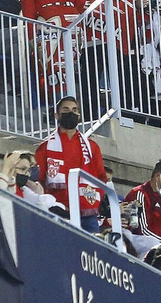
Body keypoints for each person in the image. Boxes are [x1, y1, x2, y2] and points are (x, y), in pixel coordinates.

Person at [35, 95, 107, 230]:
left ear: (79, 115)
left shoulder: (92, 147)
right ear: (57, 115)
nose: (71, 113)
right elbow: (40, 180)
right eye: (66, 110)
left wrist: (93, 200)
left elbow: (101, 177)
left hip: (87, 212)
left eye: (75, 110)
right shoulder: (45, 147)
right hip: (59, 210)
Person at [121, 158, 161, 256]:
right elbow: (143, 230)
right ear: (158, 176)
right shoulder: (140, 194)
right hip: (133, 238)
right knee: (153, 244)